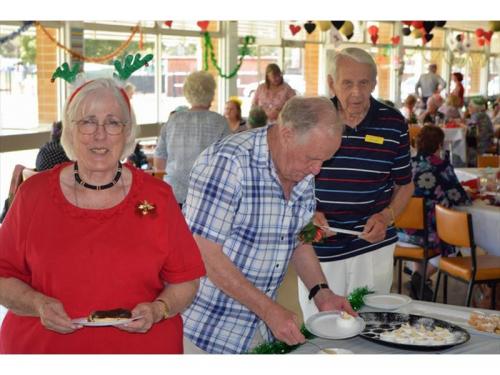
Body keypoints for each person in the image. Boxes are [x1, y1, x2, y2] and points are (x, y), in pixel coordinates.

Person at [0, 78, 206, 353]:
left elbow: (186, 280)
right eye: (87, 122)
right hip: (44, 351)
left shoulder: (158, 197)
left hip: (141, 353)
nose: (99, 135)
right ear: (70, 131)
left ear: (127, 131)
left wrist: (159, 309)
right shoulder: (33, 195)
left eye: (112, 122)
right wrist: (37, 304)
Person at [181, 96, 355, 354]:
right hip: (205, 332)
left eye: (324, 160)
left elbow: (297, 238)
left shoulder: (301, 169)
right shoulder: (229, 162)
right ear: (286, 133)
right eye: (312, 158)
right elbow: (203, 254)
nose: (317, 170)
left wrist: (322, 292)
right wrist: (269, 309)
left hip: (256, 331)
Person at [298, 48, 414, 321]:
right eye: (347, 83)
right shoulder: (313, 120)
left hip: (372, 246)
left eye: (364, 83)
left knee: (371, 322)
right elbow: (291, 179)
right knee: (321, 326)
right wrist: (306, 214)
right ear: (331, 83)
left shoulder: (393, 123)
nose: (357, 93)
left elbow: (405, 185)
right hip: (320, 247)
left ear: (374, 83)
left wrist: (387, 216)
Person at [397, 125, 471, 300]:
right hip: (430, 234)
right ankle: (420, 279)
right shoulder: (441, 166)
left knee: (423, 235)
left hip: (403, 232)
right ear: (439, 144)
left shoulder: (409, 164)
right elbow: (458, 197)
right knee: (451, 241)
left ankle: (419, 284)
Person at [153, 71, 230, 206]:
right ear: (211, 93)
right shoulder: (220, 122)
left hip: (173, 194)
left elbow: (159, 162)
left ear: (187, 92)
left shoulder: (173, 120)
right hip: (207, 196)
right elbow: (229, 163)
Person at [466, 96, 494, 167]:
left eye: (470, 106)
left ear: (475, 108)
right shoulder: (485, 116)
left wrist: (462, 126)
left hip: (479, 147)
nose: (468, 108)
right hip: (488, 143)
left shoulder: (476, 116)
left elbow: (471, 134)